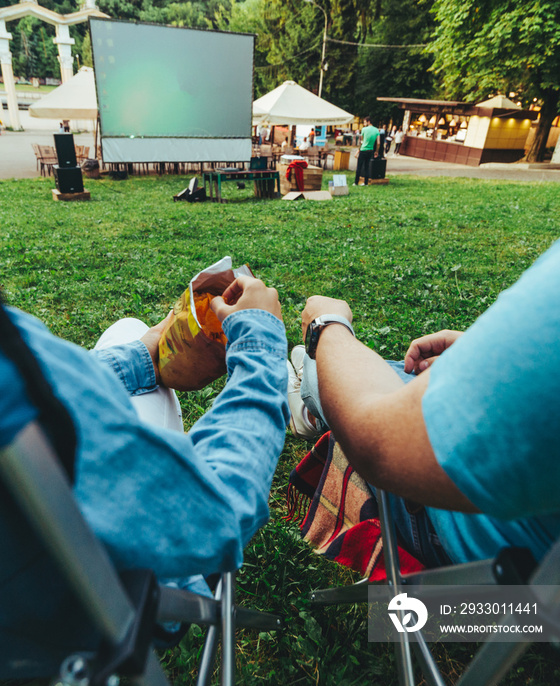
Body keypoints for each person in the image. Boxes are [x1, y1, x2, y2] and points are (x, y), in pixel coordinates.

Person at [0, 276, 289, 618]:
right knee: (375, 563)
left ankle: (308, 397)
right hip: (97, 602)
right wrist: (266, 345)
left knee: (129, 330)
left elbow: (44, 392)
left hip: (20, 612)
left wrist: (144, 356)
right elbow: (211, 516)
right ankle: (307, 399)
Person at [286, 239, 560, 569]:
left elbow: (380, 443)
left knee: (335, 368)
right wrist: (496, 364)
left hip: (487, 544)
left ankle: (308, 391)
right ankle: (310, 391)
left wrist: (326, 326)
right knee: (384, 369)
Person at [353, 116, 379, 186]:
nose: (364, 124)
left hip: (363, 149)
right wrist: (376, 151)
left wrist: (358, 150)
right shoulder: (376, 130)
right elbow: (378, 142)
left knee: (359, 167)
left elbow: (361, 141)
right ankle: (366, 182)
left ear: (368, 122)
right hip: (370, 150)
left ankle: (356, 182)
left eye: (365, 122)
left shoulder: (364, 129)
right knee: (367, 167)